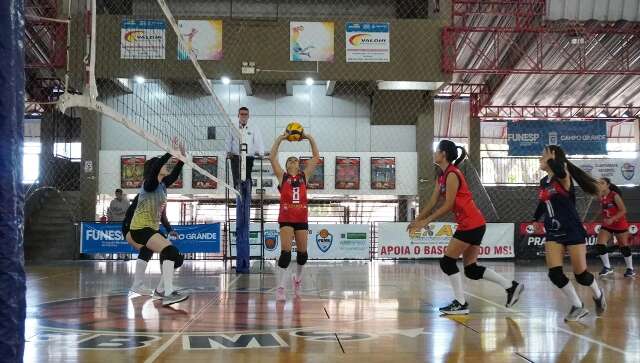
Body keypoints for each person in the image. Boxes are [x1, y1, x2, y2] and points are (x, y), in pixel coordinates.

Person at [407, 140, 523, 315]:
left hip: (471, 224)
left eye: (437, 151)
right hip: (474, 224)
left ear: (444, 154)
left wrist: (426, 222)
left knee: (447, 262)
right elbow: (432, 201)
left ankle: (461, 303)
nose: (434, 153)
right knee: (471, 269)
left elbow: (448, 204)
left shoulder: (453, 174)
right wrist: (418, 219)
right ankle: (511, 286)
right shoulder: (442, 175)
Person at [533, 145, 606, 322]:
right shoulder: (545, 182)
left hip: (572, 230)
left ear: (553, 157)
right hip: (553, 231)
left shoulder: (563, 176)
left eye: (543, 156)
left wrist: (551, 160)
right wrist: (536, 219)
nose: (540, 158)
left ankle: (598, 295)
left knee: (581, 275)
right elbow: (543, 203)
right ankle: (578, 306)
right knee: (554, 274)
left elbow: (560, 171)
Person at [128, 138, 189, 306]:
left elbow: (174, 173)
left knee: (175, 257)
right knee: (169, 251)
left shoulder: (163, 184)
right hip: (140, 229)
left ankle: (156, 288)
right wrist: (170, 151)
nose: (166, 168)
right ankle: (166, 293)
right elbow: (157, 168)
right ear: (156, 170)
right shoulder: (149, 185)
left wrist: (182, 158)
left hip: (150, 228)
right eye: (163, 166)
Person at [269, 130, 320, 301]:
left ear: (298, 165)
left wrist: (308, 137)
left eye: (296, 159)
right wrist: (282, 138)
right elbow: (272, 157)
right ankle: (281, 288)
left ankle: (297, 280)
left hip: (301, 220)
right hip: (286, 219)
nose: (293, 160)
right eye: (290, 159)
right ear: (287, 164)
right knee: (285, 254)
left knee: (303, 255)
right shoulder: (282, 176)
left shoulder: (304, 176)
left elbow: (316, 157)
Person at [123, 193, 183, 296]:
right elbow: (130, 212)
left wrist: (169, 230)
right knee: (148, 249)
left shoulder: (162, 195)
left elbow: (162, 216)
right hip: (132, 227)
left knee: (174, 255)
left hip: (149, 228)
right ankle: (139, 285)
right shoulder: (145, 192)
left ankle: (160, 289)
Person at [596, 177, 635, 277]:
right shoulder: (600, 195)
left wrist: (612, 219)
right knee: (600, 244)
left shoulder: (614, 195)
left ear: (608, 185)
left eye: (602, 183)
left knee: (624, 247)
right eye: (598, 183)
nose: (599, 184)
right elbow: (605, 208)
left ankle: (630, 269)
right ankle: (607, 267)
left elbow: (623, 210)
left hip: (619, 224)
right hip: (607, 224)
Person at [226, 107, 265, 188]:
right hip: (236, 157)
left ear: (248, 116)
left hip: (248, 157)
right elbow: (228, 140)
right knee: (237, 179)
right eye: (242, 114)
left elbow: (258, 140)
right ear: (238, 115)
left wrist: (261, 152)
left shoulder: (254, 127)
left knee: (247, 179)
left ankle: (247, 199)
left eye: (245, 114)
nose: (243, 116)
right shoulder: (233, 127)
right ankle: (238, 198)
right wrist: (228, 152)